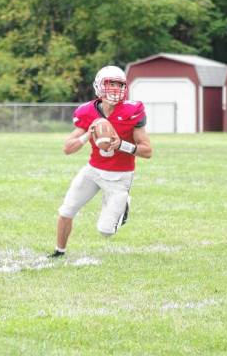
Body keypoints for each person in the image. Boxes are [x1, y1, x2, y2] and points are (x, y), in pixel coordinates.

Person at [49, 65, 152, 258]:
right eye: (110, 84)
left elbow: (147, 151)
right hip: (93, 171)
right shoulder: (87, 111)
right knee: (66, 210)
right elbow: (67, 148)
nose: (115, 89)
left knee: (105, 231)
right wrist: (88, 134)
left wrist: (122, 145)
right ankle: (59, 252)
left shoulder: (132, 110)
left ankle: (124, 205)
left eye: (119, 85)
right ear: (98, 86)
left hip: (120, 177)